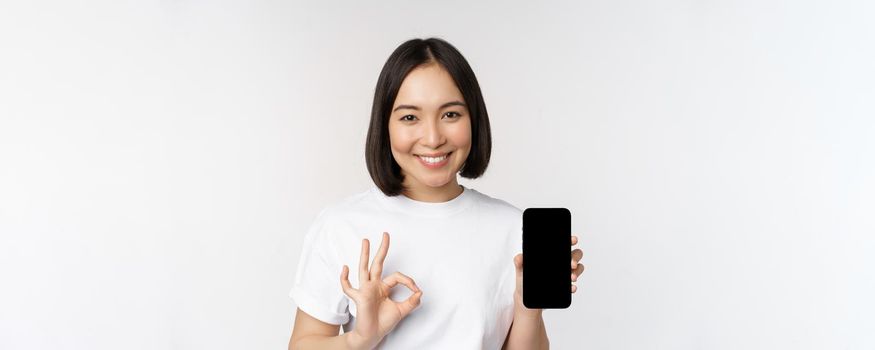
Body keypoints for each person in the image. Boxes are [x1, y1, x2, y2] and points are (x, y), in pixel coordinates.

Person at [287, 37, 585, 350]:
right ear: (384, 125)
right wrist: (360, 339)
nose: (432, 138)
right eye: (409, 117)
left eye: (451, 115)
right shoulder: (341, 225)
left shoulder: (513, 228)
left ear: (474, 119)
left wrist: (527, 305)